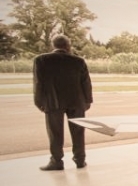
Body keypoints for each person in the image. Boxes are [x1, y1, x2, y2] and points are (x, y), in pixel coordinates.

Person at [33, 34, 93, 171]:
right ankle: (80, 159)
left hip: (53, 101)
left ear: (53, 45)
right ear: (68, 46)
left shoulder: (41, 60)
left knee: (55, 132)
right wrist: (88, 100)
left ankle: (56, 161)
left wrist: (39, 101)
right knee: (78, 131)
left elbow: (38, 83)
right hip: (76, 101)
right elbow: (86, 83)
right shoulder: (78, 61)